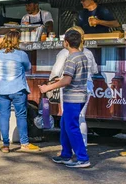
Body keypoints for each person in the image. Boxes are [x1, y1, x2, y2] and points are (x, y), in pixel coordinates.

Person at [39, 29, 91, 168]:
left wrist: (48, 88)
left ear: (66, 42)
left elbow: (67, 80)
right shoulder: (83, 56)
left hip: (72, 97)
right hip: (81, 95)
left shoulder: (71, 58)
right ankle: (65, 154)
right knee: (64, 124)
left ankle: (82, 157)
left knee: (72, 127)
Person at [0, 30, 40, 153]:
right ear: (16, 41)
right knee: (21, 116)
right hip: (17, 88)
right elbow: (28, 67)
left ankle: (6, 145)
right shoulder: (21, 54)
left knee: (3, 116)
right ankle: (24, 143)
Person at [50, 26, 98, 146]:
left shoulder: (65, 53)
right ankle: (83, 144)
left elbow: (56, 71)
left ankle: (72, 147)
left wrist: (50, 84)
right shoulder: (88, 52)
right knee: (81, 117)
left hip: (70, 88)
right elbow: (95, 70)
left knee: (69, 119)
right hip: (87, 86)